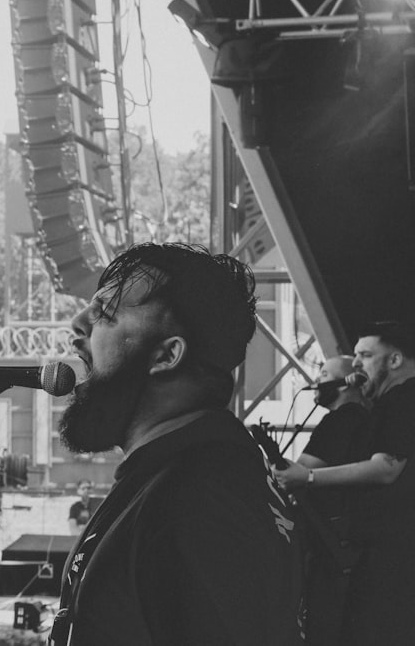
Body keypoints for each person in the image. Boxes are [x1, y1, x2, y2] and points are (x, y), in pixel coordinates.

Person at [50, 243, 304, 646]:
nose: (78, 326)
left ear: (167, 355)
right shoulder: (185, 474)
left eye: (105, 315)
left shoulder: (201, 503)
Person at [274, 321, 415, 646]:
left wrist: (310, 477)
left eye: (365, 355)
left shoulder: (407, 401)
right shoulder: (393, 405)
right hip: (398, 560)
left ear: (395, 360)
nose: (356, 363)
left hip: (405, 564)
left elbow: (385, 469)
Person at [291, 355, 372, 646]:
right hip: (348, 535)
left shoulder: (340, 419)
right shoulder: (366, 418)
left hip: (327, 539)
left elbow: (305, 467)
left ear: (345, 382)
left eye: (325, 374)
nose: (317, 381)